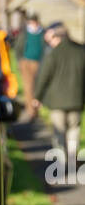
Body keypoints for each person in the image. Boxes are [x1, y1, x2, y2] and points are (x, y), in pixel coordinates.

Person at [34, 23, 85, 168]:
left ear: (58, 37)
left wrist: (37, 96)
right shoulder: (81, 51)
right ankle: (72, 158)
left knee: (59, 131)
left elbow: (44, 76)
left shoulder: (53, 54)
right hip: (76, 99)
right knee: (74, 129)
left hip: (56, 101)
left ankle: (60, 161)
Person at [14, 13, 44, 115]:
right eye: (31, 22)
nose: (33, 25)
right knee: (28, 87)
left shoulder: (42, 33)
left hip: (39, 62)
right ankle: (30, 110)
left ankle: (37, 107)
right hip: (26, 62)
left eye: (34, 22)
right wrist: (20, 61)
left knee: (38, 86)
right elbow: (18, 48)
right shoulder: (24, 34)